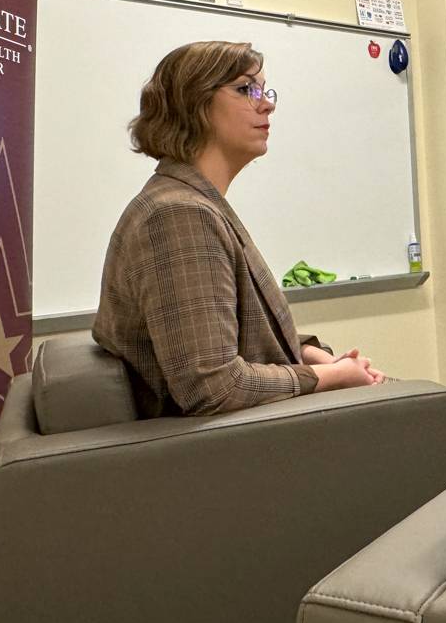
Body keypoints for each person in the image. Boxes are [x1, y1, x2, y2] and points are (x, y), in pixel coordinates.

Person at [94, 41, 386, 417]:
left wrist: (315, 357)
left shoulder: (190, 201)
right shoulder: (179, 215)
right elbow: (213, 386)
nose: (267, 103)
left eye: (266, 90)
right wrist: (330, 377)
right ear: (194, 102)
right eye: (246, 89)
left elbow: (237, 332)